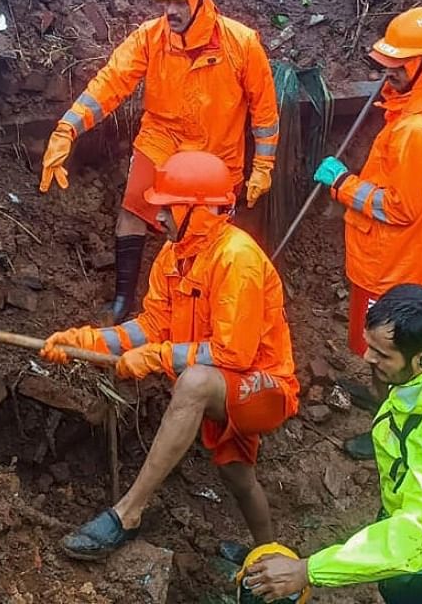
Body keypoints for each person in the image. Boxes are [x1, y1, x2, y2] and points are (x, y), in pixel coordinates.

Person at [38, 150, 299, 561]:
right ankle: (271, 556)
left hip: (264, 388)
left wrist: (158, 358)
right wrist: (86, 342)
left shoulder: (237, 258)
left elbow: (234, 351)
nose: (157, 218)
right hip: (225, 386)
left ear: (197, 209)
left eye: (166, 209)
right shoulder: (174, 255)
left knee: (193, 382)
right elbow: (152, 325)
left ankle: (129, 512)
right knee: (237, 476)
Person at [38, 0, 279, 324]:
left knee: (207, 238)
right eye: (166, 2)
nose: (171, 11)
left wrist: (263, 166)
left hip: (215, 157)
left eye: (180, 2)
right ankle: (122, 303)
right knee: (133, 213)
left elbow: (264, 113)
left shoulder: (242, 44)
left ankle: (201, 312)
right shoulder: (151, 39)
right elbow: (110, 83)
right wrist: (68, 127)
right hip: (161, 141)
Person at [240, 284, 422, 603]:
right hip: (419, 544)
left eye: (382, 354)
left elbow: (415, 536)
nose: (366, 356)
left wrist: (307, 571)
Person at [310, 7, 422, 458]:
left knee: (386, 348)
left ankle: (390, 433)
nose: (387, 72)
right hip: (400, 255)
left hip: (390, 259)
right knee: (383, 345)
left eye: (398, 65)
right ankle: (381, 401)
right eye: (387, 63)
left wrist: (342, 185)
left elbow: (398, 206)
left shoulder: (418, 130)